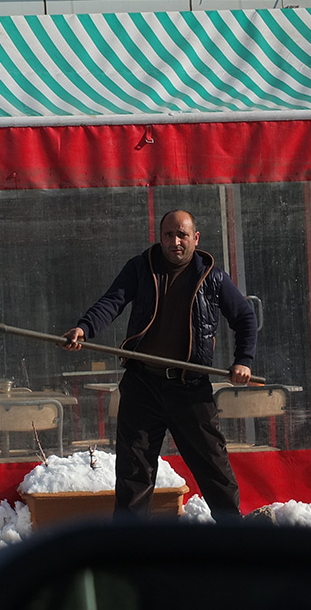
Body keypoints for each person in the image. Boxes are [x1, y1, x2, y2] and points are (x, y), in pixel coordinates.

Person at [63, 209, 257, 523]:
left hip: (190, 386)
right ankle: (130, 546)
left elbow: (245, 318)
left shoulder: (213, 278)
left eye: (182, 235)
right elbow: (112, 301)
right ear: (160, 237)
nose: (175, 242)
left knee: (213, 465)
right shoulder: (141, 269)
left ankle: (233, 531)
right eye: (169, 235)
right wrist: (85, 329)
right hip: (143, 384)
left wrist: (242, 362)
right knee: (134, 470)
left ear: (195, 238)